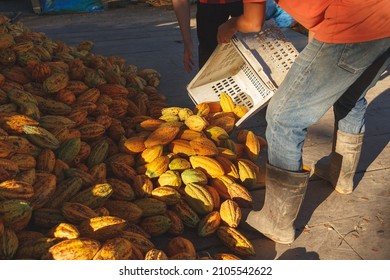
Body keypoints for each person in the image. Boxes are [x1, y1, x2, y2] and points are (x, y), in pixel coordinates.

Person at [217, 0, 390, 244]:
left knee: (283, 118)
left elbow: (253, 23)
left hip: (352, 26)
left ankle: (277, 221)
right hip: (384, 21)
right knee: (350, 95)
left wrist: (232, 24)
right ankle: (340, 174)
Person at [172, 0, 244, 72]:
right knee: (209, 62)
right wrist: (187, 41)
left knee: (249, 52)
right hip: (209, 7)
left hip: (244, 4)